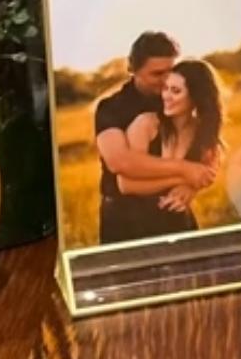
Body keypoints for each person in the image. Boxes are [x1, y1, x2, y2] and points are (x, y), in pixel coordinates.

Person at [94, 33, 216, 244]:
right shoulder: (111, 108)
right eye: (157, 74)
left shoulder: (175, 98)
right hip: (124, 218)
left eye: (171, 71)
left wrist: (191, 186)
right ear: (132, 69)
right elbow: (120, 162)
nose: (166, 80)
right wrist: (185, 171)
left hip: (174, 209)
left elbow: (209, 146)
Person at [116, 60, 224, 236]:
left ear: (196, 97)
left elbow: (209, 171)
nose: (166, 95)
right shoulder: (146, 124)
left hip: (179, 222)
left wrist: (191, 188)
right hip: (136, 225)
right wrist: (183, 177)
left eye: (176, 91)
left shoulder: (202, 131)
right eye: (166, 88)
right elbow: (126, 184)